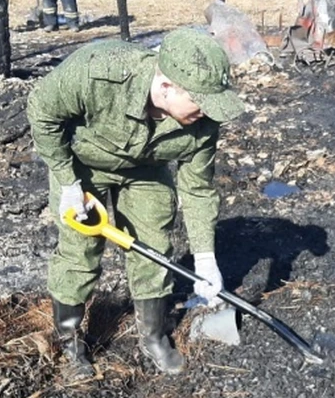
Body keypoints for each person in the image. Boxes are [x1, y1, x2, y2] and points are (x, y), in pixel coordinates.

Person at [27, 29, 245, 379]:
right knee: (80, 252)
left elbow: (198, 189)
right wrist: (67, 181)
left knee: (153, 248)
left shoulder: (204, 124)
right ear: (166, 87)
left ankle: (154, 336)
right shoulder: (98, 72)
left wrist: (205, 257)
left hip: (146, 171)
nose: (207, 112)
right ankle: (69, 342)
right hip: (83, 165)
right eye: (200, 101)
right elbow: (42, 111)